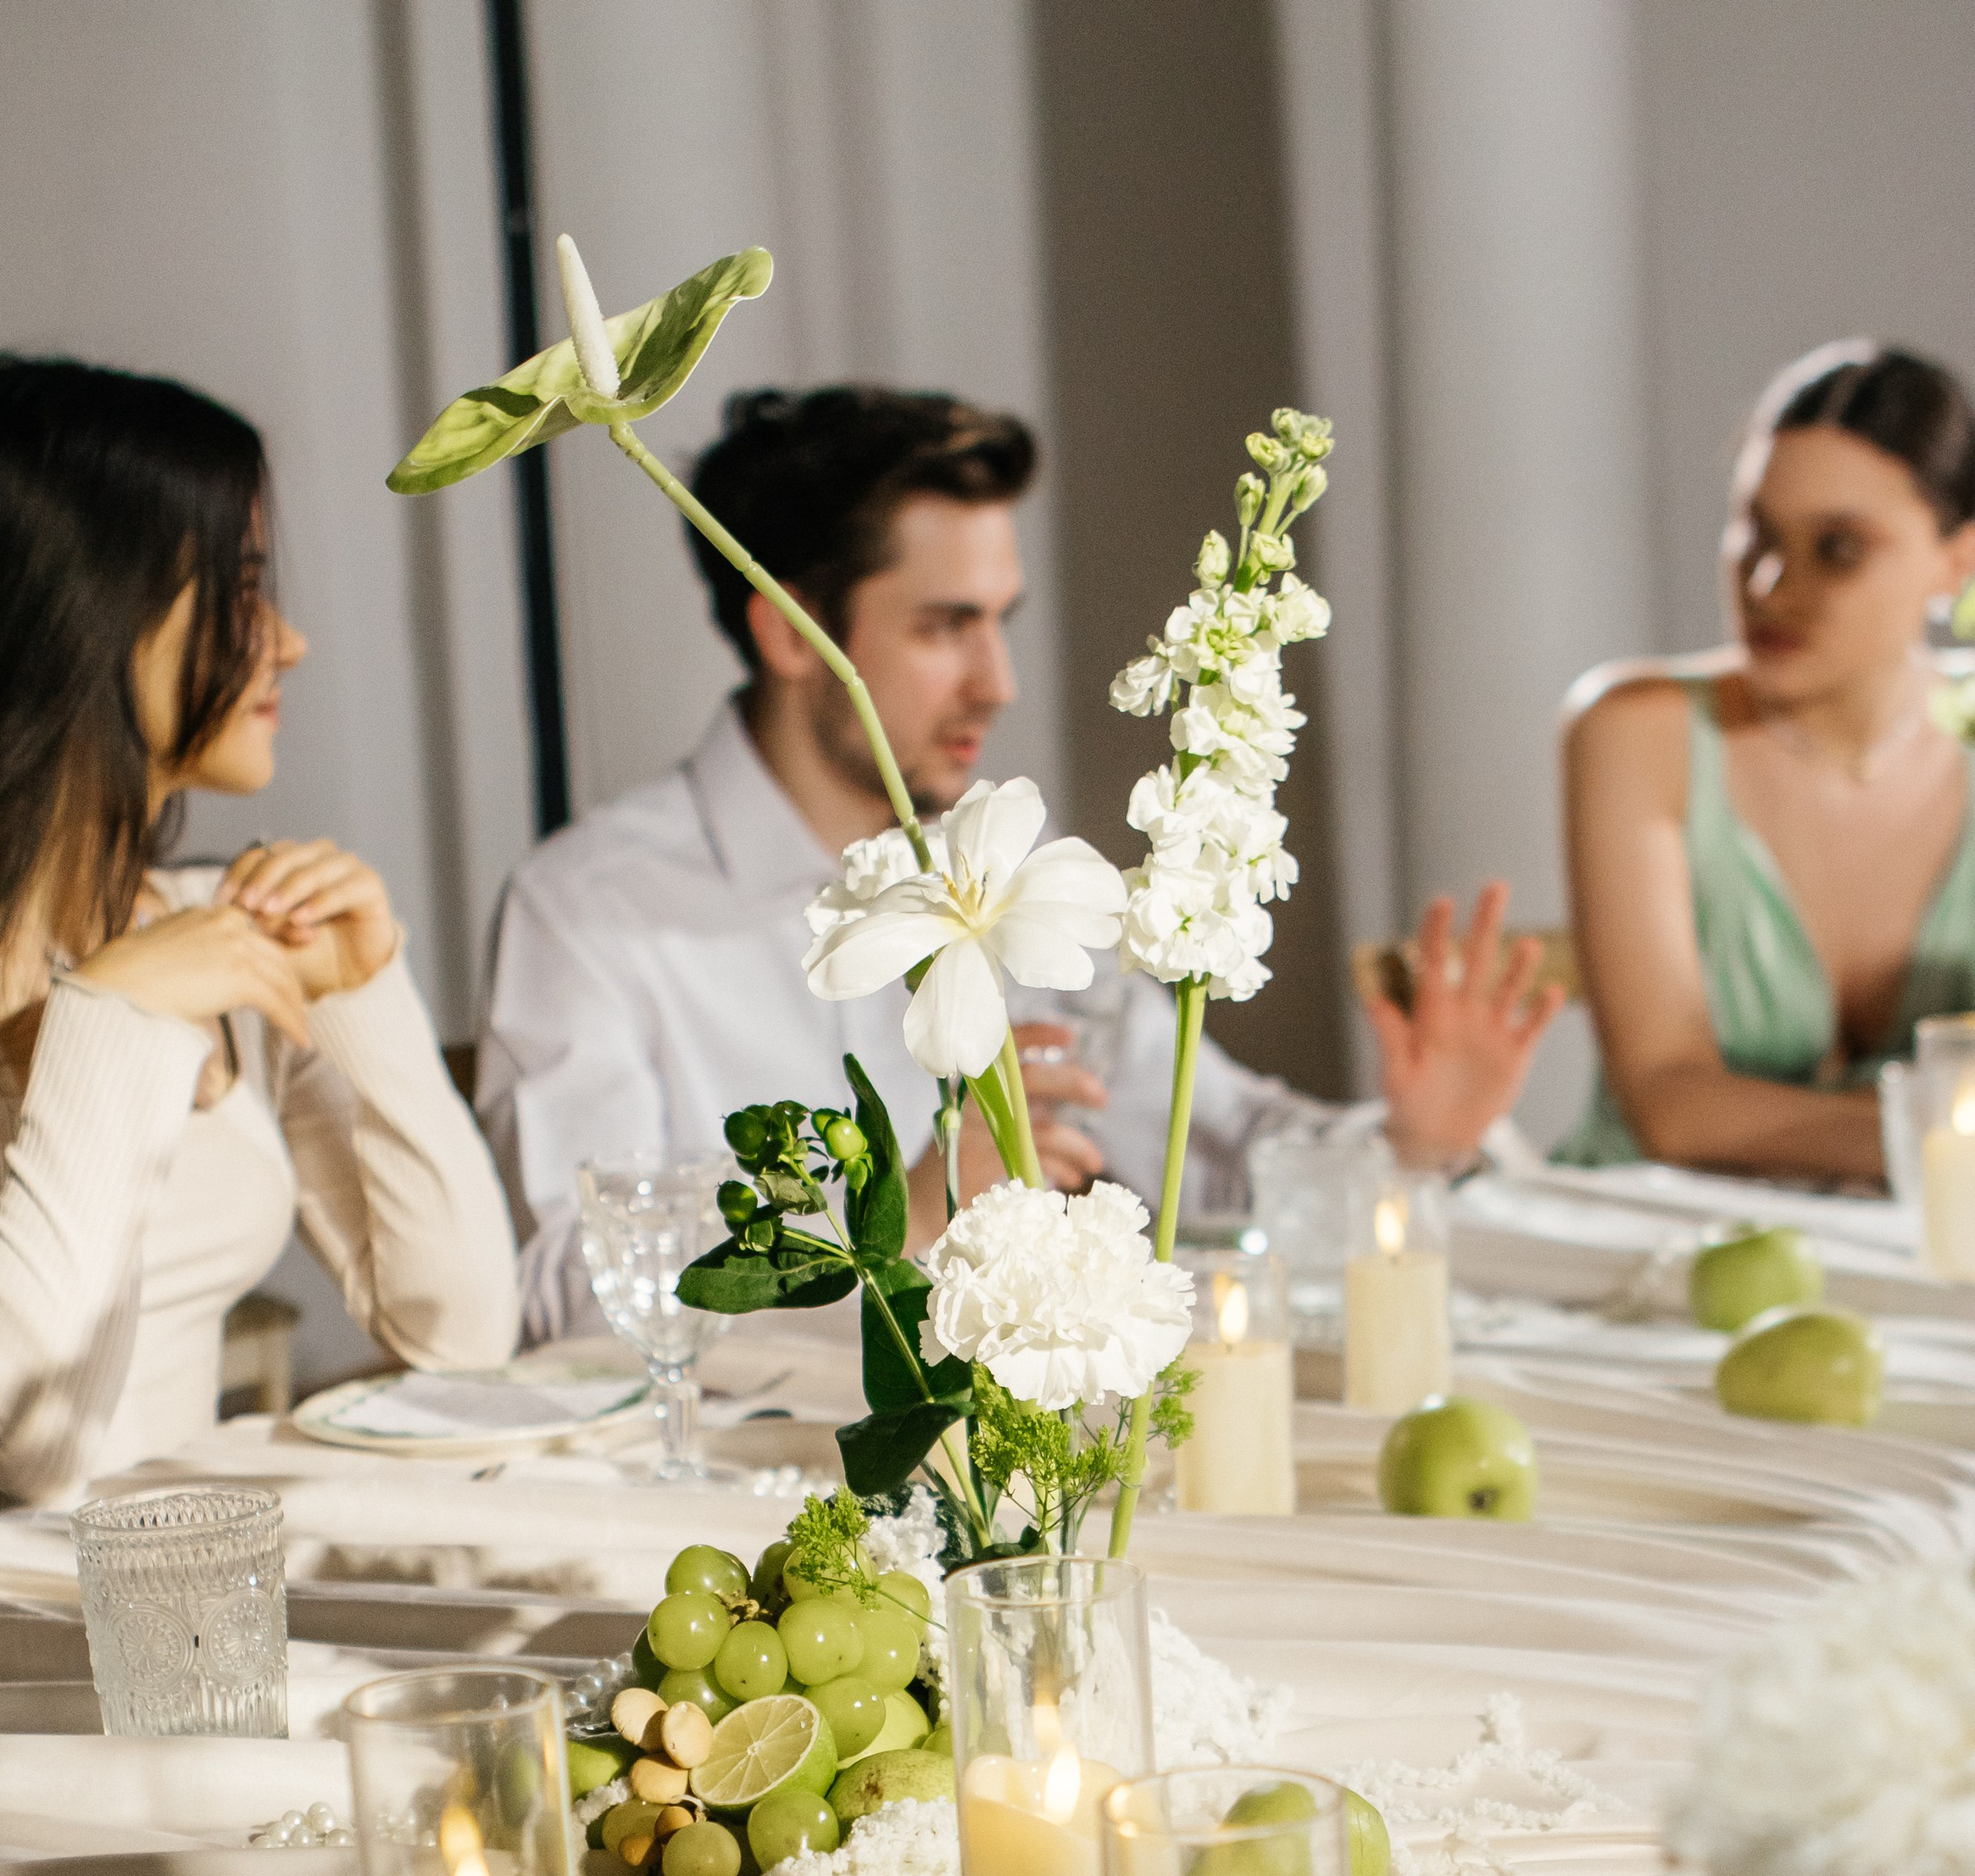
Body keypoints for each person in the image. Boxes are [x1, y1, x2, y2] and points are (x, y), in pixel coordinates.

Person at [478, 384, 1562, 1335]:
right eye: (945, 627)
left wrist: (1411, 1145)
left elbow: (1214, 1160)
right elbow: (561, 1299)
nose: (996, 683)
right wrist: (899, 1215)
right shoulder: (589, 913)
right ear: (790, 634)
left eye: (1000, 621)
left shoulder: (1016, 867)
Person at [0, 353, 520, 1559]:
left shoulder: (214, 933)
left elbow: (460, 1338)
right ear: (84, 615)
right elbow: (26, 1446)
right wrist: (109, 1021)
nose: (289, 642)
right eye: (241, 594)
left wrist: (364, 995)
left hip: (191, 1612)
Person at [1562, 341, 1975, 1181]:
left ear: (1957, 563)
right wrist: (1938, 1140)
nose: (1768, 585)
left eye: (1839, 547)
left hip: (1919, 1243)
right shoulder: (1635, 729)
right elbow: (1670, 1107)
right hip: (1650, 1234)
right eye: (1756, 534)